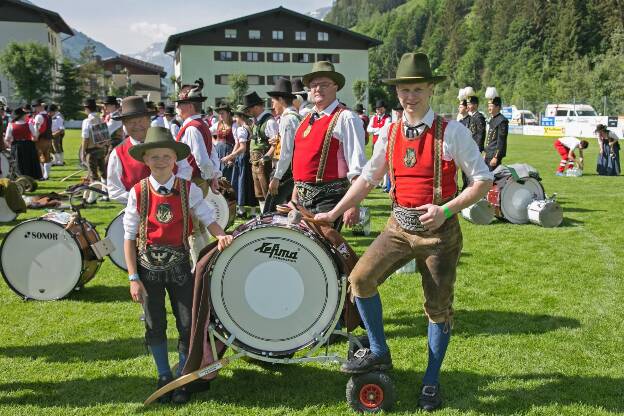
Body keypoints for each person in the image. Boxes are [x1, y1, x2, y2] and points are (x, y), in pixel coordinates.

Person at [315, 53, 493, 412]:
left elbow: (483, 180)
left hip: (439, 235)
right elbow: (367, 177)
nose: (409, 97)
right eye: (404, 90)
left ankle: (431, 379)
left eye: (416, 89)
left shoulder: (453, 132)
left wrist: (445, 210)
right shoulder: (390, 131)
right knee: (361, 279)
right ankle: (379, 349)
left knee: (437, 309)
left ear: (429, 89)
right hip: (398, 225)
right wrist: (334, 211)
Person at [123, 126, 233, 405]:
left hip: (181, 266)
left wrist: (221, 234)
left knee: (187, 324)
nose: (160, 161)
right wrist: (133, 276)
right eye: (154, 156)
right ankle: (163, 375)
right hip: (148, 269)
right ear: (145, 159)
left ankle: (183, 375)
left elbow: (208, 217)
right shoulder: (138, 192)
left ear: (175, 159)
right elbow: (128, 236)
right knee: (154, 324)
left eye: (166, 156)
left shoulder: (189, 189)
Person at [290, 60, 367, 229]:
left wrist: (354, 203)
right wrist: (294, 198)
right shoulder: (306, 118)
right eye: (314, 85)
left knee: (323, 252)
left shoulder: (346, 117)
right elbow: (302, 164)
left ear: (336, 87)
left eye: (324, 84)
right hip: (301, 199)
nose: (318, 89)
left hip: (329, 200)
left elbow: (357, 165)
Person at [106, 96, 155, 204]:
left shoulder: (167, 143)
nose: (137, 125)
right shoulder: (117, 153)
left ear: (149, 120)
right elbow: (114, 190)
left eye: (141, 120)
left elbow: (185, 170)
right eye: (131, 122)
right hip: (136, 214)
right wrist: (143, 199)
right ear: (124, 124)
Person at [265, 77, 302, 213]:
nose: (273, 106)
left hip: (286, 171)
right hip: (293, 170)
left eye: (274, 102)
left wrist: (276, 177)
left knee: (270, 211)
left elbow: (286, 152)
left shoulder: (288, 119)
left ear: (281, 100)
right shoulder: (296, 117)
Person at [243, 91, 279, 212]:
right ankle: (264, 216)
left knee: (267, 192)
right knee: (259, 193)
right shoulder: (256, 121)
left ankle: (271, 216)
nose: (247, 112)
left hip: (264, 163)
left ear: (257, 106)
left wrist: (267, 157)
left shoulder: (269, 121)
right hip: (255, 162)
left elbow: (276, 143)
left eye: (249, 109)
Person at [222, 105, 257, 216]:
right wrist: (232, 156)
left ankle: (242, 210)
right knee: (249, 183)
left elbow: (242, 147)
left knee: (242, 183)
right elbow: (237, 144)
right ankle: (251, 211)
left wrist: (230, 157)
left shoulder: (242, 129)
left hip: (244, 158)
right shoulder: (250, 126)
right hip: (249, 158)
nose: (235, 119)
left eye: (236, 116)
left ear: (240, 117)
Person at [4, 107, 42, 178]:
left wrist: (10, 145)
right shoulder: (29, 124)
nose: (26, 116)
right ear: (21, 116)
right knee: (29, 162)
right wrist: (36, 128)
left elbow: (7, 138)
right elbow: (35, 137)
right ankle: (30, 177)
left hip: (16, 145)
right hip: (28, 145)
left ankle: (18, 177)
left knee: (18, 163)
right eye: (25, 115)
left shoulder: (11, 125)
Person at [81, 98, 108, 183]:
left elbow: (85, 137)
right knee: (103, 173)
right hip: (101, 149)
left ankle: (93, 196)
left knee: (93, 174)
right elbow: (105, 136)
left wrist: (83, 151)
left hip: (91, 150)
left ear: (87, 109)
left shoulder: (87, 121)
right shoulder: (101, 119)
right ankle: (105, 193)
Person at [484, 87, 508, 170]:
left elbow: (501, 141)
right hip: (488, 154)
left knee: (493, 180)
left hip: (494, 155)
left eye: (491, 106)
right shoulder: (492, 119)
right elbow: (490, 140)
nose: (489, 108)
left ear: (497, 107)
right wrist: (486, 153)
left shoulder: (502, 120)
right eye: (488, 106)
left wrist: (496, 157)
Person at [210, 103, 236, 181]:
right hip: (218, 152)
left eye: (222, 113)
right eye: (219, 113)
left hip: (230, 151)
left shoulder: (234, 125)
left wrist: (231, 157)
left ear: (228, 113)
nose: (220, 115)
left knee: (229, 176)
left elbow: (237, 143)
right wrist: (215, 142)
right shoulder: (218, 124)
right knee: (219, 176)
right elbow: (208, 133)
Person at [30, 99, 53, 180]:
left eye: (35, 107)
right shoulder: (48, 115)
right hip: (48, 139)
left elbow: (37, 128)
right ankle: (46, 175)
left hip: (41, 139)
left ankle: (41, 175)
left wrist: (35, 137)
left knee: (38, 157)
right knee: (47, 157)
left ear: (39, 107)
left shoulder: (39, 116)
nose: (34, 109)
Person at [465, 87, 485, 154]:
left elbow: (480, 135)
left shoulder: (479, 117)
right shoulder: (471, 116)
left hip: (475, 148)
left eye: (469, 104)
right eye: (467, 104)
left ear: (475, 105)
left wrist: (478, 149)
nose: (467, 106)